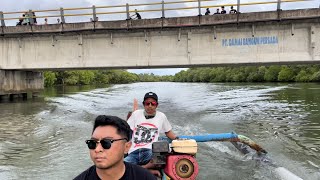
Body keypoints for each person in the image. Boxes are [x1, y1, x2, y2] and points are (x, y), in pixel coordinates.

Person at [74, 115, 156, 180]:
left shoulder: (145, 177)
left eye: (106, 143)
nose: (97, 149)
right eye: (93, 143)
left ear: (126, 147)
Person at [124, 92, 178, 176]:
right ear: (144, 104)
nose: (150, 106)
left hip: (150, 152)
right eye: (147, 103)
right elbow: (126, 130)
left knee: (163, 147)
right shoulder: (136, 114)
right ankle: (148, 171)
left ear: (156, 105)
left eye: (153, 103)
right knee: (119, 167)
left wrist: (177, 138)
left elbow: (168, 132)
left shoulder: (161, 116)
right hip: (134, 151)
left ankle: (143, 168)